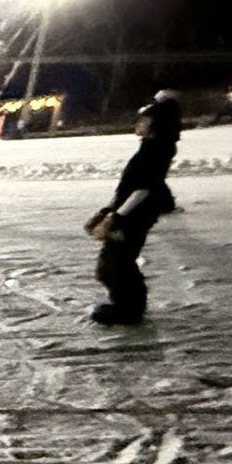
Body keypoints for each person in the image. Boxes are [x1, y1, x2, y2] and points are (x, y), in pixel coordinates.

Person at [88, 105, 175, 325]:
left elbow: (142, 189)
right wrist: (107, 210)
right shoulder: (151, 147)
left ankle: (129, 308)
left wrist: (114, 218)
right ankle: (130, 305)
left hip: (136, 215)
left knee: (115, 263)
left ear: (154, 125)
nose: (138, 124)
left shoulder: (154, 150)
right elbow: (129, 187)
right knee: (114, 262)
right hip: (132, 213)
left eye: (143, 120)